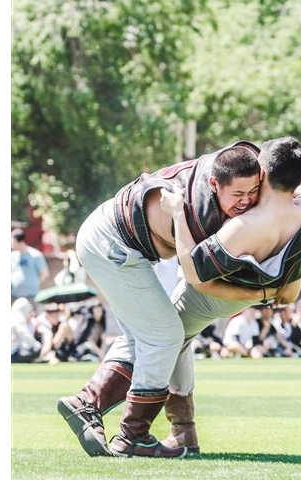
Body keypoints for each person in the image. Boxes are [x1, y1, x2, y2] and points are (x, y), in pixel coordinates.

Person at [57, 142, 269, 459]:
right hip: (113, 245)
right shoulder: (200, 212)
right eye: (238, 194)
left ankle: (86, 403)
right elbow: (195, 274)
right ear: (214, 184)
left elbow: (247, 153)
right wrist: (260, 293)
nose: (247, 200)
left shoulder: (233, 165)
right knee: (165, 335)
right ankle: (133, 435)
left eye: (252, 191)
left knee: (144, 338)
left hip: (111, 238)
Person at [158, 136, 301, 452]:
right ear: (299, 180)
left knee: (164, 338)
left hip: (218, 292)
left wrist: (177, 212)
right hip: (270, 291)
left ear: (262, 173)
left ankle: (177, 429)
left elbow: (194, 271)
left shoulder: (244, 225)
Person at [11, 229, 49, 304]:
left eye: (12, 241)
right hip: (14, 296)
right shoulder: (12, 256)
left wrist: (34, 284)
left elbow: (45, 273)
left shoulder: (36, 255)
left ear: (20, 241)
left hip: (31, 297)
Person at [11, 297, 41, 363]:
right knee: (37, 351)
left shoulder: (13, 315)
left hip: (14, 350)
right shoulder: (18, 317)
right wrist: (37, 345)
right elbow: (24, 334)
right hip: (13, 353)